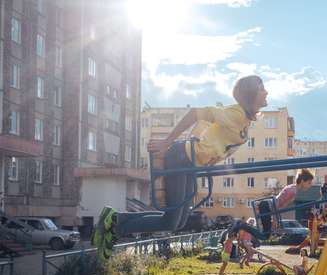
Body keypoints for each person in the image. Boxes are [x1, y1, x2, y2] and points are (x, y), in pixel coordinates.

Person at [91, 75, 268, 260]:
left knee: (179, 222)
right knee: (171, 220)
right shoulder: (236, 114)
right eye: (262, 88)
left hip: (191, 164)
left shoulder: (245, 121)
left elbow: (213, 136)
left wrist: (208, 155)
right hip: (181, 157)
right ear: (251, 94)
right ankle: (115, 223)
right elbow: (195, 113)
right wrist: (167, 142)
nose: (266, 92)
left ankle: (114, 222)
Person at [229, 169, 315, 240]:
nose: (310, 185)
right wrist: (274, 219)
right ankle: (241, 224)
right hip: (268, 206)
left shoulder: (292, 187)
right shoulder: (293, 191)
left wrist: (275, 219)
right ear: (303, 181)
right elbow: (277, 205)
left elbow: (278, 204)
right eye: (309, 183)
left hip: (267, 205)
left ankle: (242, 225)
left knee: (265, 234)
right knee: (265, 235)